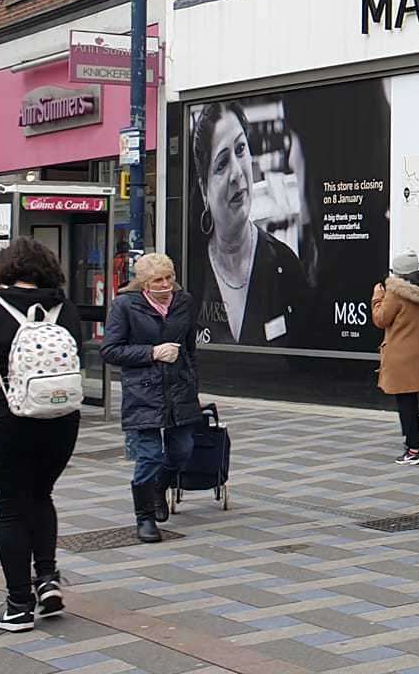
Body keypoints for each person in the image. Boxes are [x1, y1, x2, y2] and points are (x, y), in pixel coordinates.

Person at [0, 238, 83, 632]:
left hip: (8, 419)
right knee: (41, 495)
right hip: (62, 418)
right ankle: (46, 579)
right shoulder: (65, 307)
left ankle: (18, 605)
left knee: (11, 507)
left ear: (5, 271)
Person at [102, 253, 201, 544]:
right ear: (143, 282)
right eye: (158, 279)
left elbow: (190, 346)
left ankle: (160, 487)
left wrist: (193, 380)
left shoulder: (185, 302)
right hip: (142, 389)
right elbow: (110, 350)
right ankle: (144, 517)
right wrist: (151, 352)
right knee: (149, 455)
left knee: (183, 448)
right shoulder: (125, 305)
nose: (166, 284)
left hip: (179, 387)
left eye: (170, 277)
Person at [190, 101, 306, 347]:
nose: (237, 173)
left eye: (241, 149)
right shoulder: (191, 272)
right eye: (221, 164)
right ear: (204, 189)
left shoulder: (285, 265)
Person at [374, 249, 419, 466]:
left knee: (405, 402)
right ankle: (412, 446)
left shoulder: (395, 293)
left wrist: (378, 297)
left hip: (400, 355)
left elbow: (380, 319)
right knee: (409, 400)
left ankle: (413, 450)